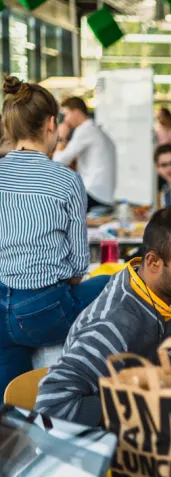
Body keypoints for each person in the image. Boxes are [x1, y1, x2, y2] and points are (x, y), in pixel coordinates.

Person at [35, 205, 171, 425]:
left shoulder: (159, 289)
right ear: (153, 262)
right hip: (108, 448)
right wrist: (146, 405)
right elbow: (51, 406)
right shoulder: (114, 324)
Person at [0, 75, 110, 393]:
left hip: (1, 311)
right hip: (44, 313)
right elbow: (77, 268)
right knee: (114, 284)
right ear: (51, 124)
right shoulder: (66, 179)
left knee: (12, 405)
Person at [53, 96, 117, 209]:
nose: (65, 120)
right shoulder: (95, 130)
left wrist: (61, 137)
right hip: (104, 193)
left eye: (66, 114)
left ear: (76, 112)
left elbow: (58, 162)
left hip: (92, 192)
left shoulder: (84, 130)